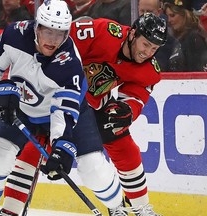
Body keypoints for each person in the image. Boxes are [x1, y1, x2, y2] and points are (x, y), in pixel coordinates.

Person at [0, 0, 124, 216]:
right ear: (37, 26)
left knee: (93, 169)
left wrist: (61, 146)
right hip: (22, 107)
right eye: (48, 31)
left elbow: (63, 113)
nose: (53, 40)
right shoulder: (14, 35)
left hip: (65, 114)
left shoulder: (69, 64)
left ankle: (118, 208)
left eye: (59, 33)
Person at [69, 13, 168, 215]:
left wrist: (128, 110)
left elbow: (137, 94)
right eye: (145, 44)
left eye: (154, 48)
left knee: (118, 133)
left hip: (92, 103)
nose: (148, 52)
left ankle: (139, 207)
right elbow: (59, 39)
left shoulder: (149, 69)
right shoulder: (102, 32)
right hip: (59, 94)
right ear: (132, 34)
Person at [138, 0, 184, 71]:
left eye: (149, 12)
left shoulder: (168, 41)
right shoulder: (131, 35)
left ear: (159, 12)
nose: (145, 15)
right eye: (142, 11)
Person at [163, 0, 207, 72]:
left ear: (185, 15)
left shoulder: (193, 38)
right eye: (167, 16)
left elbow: (197, 72)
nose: (169, 20)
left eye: (172, 15)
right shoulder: (179, 40)